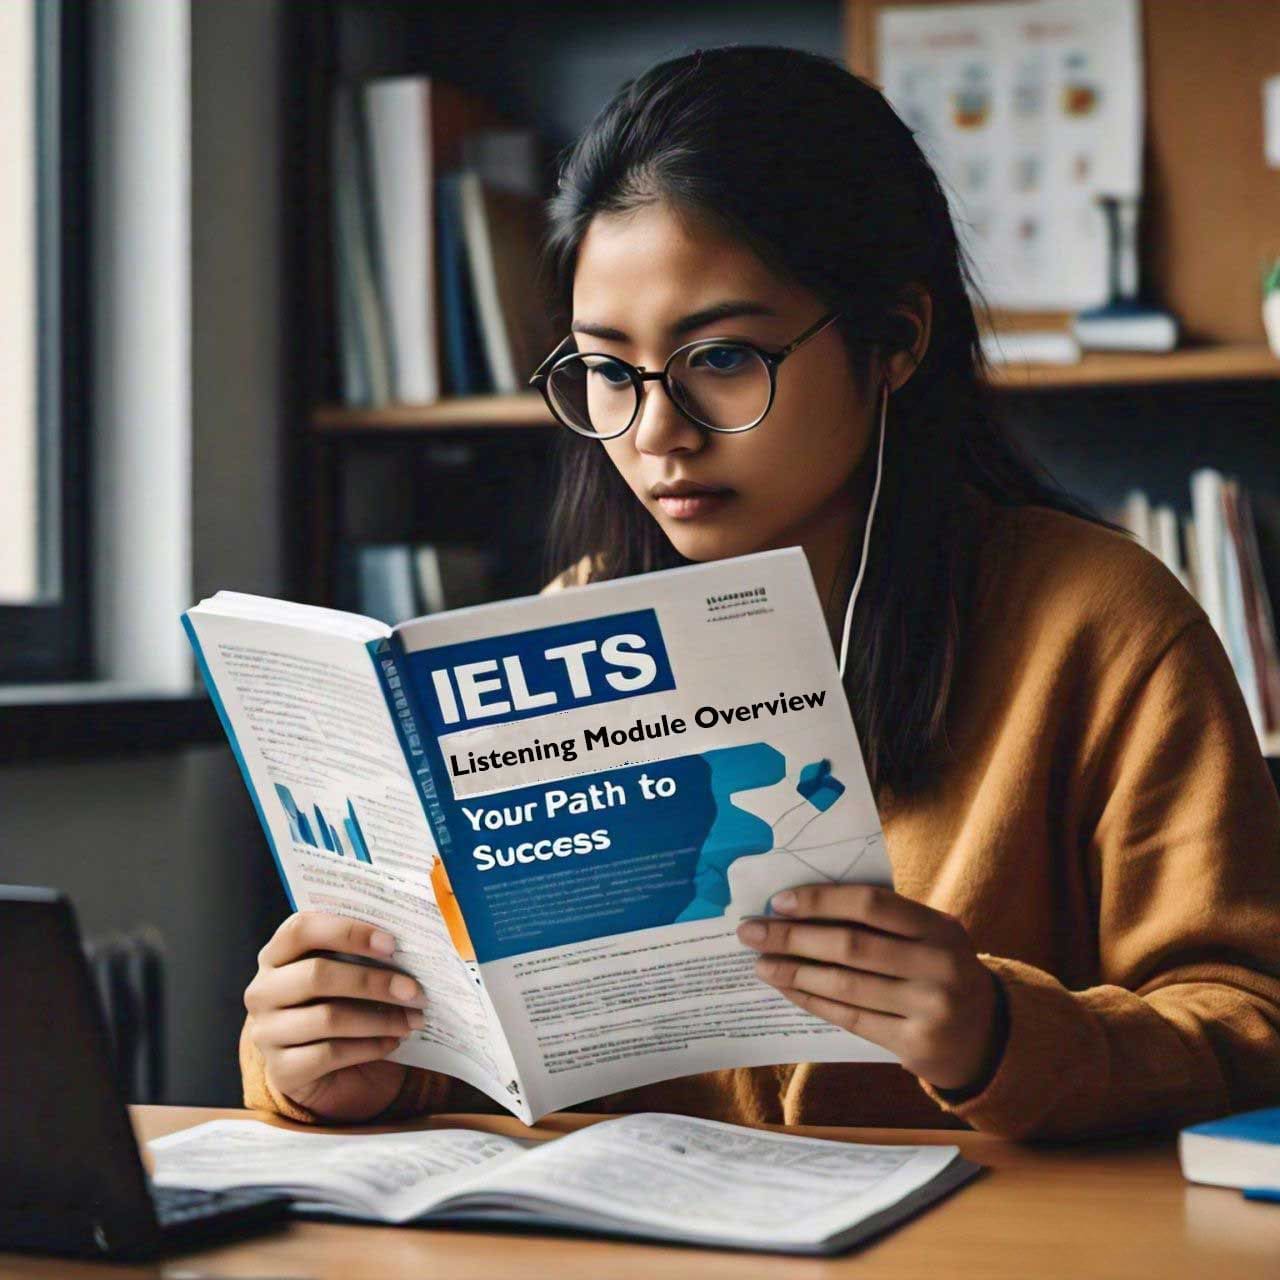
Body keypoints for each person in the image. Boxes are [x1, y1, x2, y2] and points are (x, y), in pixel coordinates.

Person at [240, 45, 1280, 1141]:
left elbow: (1247, 1027)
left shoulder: (1099, 620)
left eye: (721, 357)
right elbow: (505, 1053)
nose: (654, 435)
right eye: (606, 369)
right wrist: (344, 1057)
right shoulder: (571, 619)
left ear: (894, 340)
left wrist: (994, 1032)